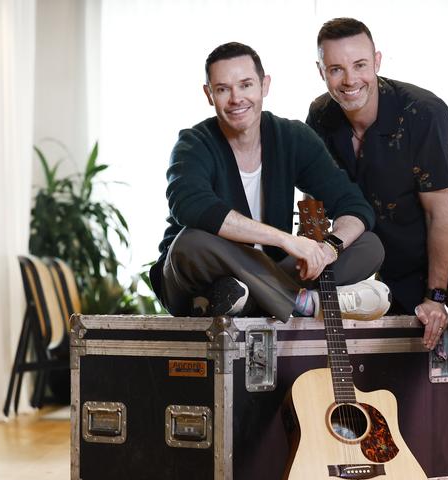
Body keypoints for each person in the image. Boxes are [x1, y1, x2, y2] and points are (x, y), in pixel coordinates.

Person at [306, 18, 448, 480]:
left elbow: (439, 216)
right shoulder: (320, 118)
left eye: (360, 65)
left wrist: (437, 296)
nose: (350, 80)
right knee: (390, 365)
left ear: (377, 62)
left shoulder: (423, 112)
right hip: (388, 256)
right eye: (336, 69)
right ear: (321, 71)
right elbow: (322, 207)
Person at [149, 42, 390, 323]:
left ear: (264, 86)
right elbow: (190, 206)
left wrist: (328, 248)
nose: (236, 98)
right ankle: (303, 302)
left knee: (370, 244)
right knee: (190, 242)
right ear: (209, 94)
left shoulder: (291, 137)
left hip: (266, 272)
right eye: (223, 89)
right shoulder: (193, 143)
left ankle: (249, 300)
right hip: (195, 276)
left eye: (246, 85)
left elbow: (353, 204)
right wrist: (287, 241)